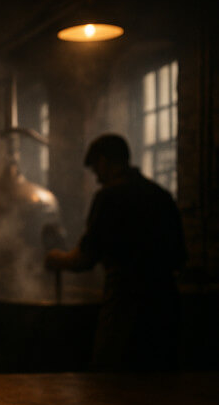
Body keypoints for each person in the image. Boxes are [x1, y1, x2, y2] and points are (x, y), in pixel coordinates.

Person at [45, 133, 187, 371]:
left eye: (95, 170)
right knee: (161, 387)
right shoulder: (161, 196)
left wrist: (56, 258)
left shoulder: (109, 197)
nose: (97, 178)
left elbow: (85, 259)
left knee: (112, 382)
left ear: (104, 161)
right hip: (165, 308)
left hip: (125, 309)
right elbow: (180, 257)